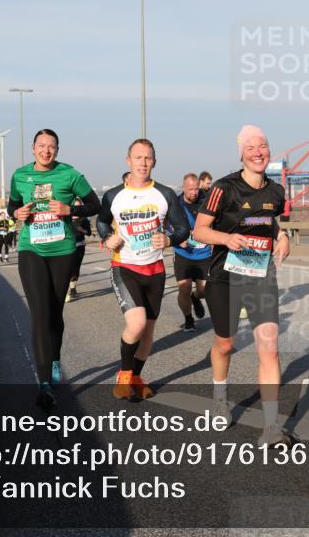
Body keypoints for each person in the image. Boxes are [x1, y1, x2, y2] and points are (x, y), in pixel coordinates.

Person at [192, 125, 294, 446]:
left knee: (270, 347)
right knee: (225, 344)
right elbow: (199, 231)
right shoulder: (223, 188)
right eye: (251, 148)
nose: (257, 152)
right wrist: (226, 238)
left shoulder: (276, 192)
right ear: (241, 153)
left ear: (269, 151)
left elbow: (270, 221)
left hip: (261, 276)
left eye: (262, 146)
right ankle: (220, 399)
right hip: (225, 278)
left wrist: (282, 236)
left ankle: (270, 428)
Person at [8, 129, 100, 409]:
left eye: (51, 147)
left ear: (57, 150)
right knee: (39, 313)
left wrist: (70, 209)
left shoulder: (70, 174)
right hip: (31, 249)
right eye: (41, 146)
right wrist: (17, 213)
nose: (46, 151)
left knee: (54, 312)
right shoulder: (20, 175)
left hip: (62, 251)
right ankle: (44, 382)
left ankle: (55, 357)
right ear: (32, 148)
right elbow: (13, 204)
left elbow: (95, 205)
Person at [97, 139, 189, 401]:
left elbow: (183, 228)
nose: (143, 162)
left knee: (148, 333)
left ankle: (136, 377)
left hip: (155, 271)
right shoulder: (114, 195)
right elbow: (102, 222)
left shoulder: (165, 194)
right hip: (125, 266)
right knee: (136, 324)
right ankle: (124, 376)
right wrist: (107, 237)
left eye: (148, 158)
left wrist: (169, 240)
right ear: (128, 160)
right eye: (138, 157)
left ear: (154, 162)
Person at [173, 173, 212, 331]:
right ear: (183, 188)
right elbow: (166, 225)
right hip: (183, 253)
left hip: (204, 253)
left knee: (204, 290)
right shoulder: (175, 203)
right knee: (184, 286)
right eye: (190, 189)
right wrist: (176, 238)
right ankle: (188, 319)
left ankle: (195, 298)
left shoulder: (207, 201)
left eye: (196, 189)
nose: (194, 192)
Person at [67, 199, 90, 302]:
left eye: (78, 206)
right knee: (67, 269)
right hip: (66, 247)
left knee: (75, 268)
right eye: (74, 206)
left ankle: (72, 289)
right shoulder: (66, 218)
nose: (76, 208)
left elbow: (89, 232)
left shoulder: (84, 219)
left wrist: (82, 230)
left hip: (79, 245)